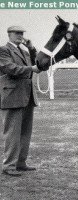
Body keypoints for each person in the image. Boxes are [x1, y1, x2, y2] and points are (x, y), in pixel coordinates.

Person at [0, 26, 40, 176]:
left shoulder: (24, 51)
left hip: (26, 96)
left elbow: (36, 62)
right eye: (17, 33)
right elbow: (11, 69)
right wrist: (31, 69)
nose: (20, 35)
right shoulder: (3, 50)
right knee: (12, 133)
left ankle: (20, 162)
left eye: (21, 33)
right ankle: (9, 166)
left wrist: (31, 48)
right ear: (9, 34)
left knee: (25, 132)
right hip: (12, 96)